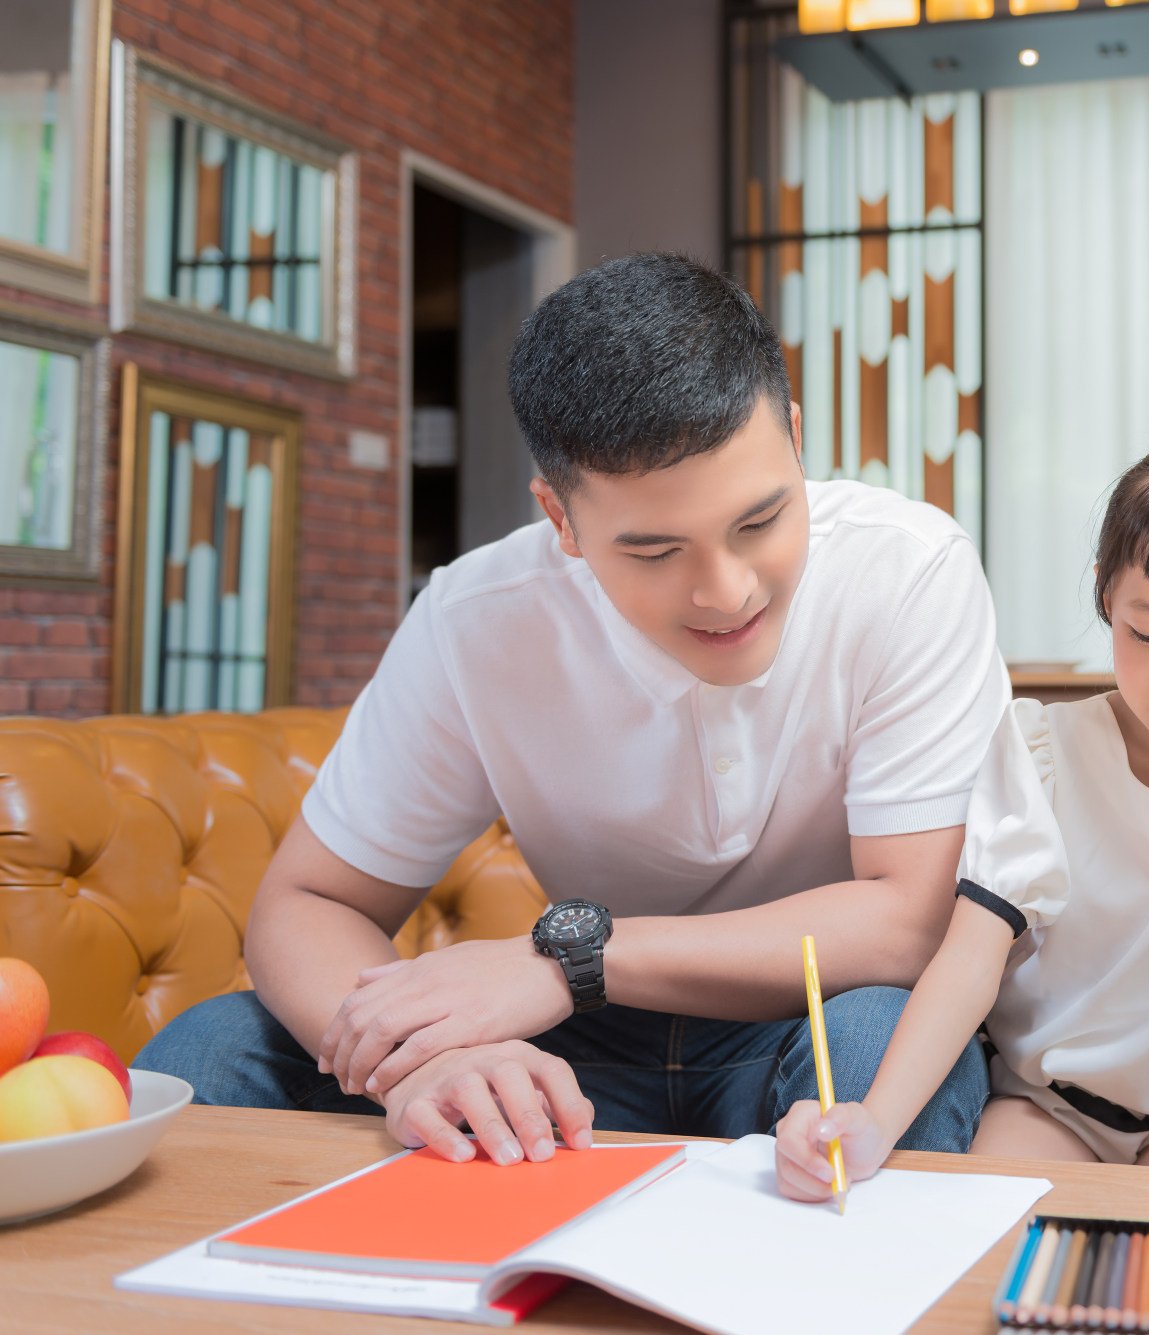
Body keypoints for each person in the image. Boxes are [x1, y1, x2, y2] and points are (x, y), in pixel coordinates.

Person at [135, 253, 1007, 1163]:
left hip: (802, 1023)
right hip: (568, 1050)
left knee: (887, 1042)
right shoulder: (478, 618)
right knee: (215, 1047)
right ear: (561, 519)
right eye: (656, 551)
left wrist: (569, 962)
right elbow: (306, 900)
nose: (727, 591)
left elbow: (911, 923)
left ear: (795, 435)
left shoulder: (908, 570)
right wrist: (422, 1062)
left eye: (759, 521)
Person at [774, 427, 1149, 1198]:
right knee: (989, 1224)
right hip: (1045, 1104)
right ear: (1105, 595)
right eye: (1148, 633)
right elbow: (970, 956)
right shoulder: (1042, 747)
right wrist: (876, 1121)